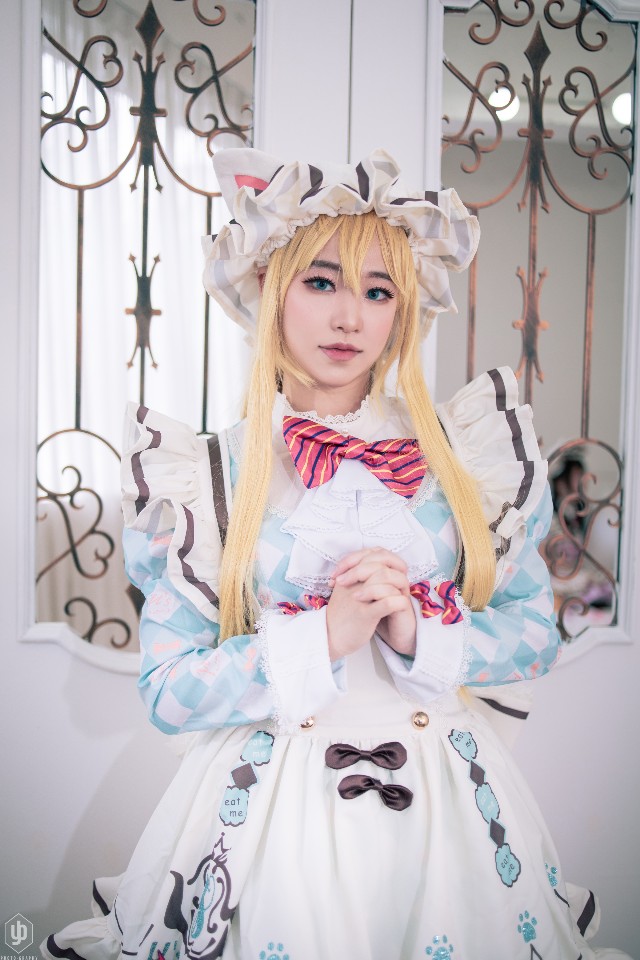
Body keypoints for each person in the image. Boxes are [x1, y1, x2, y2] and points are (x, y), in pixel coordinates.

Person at [42, 149, 631, 960]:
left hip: (448, 813)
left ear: (403, 311)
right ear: (270, 288)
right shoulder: (206, 475)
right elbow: (169, 691)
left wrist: (420, 635)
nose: (351, 318)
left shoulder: (465, 458)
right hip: (269, 819)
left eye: (378, 292)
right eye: (322, 283)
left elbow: (534, 633)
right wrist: (320, 638)